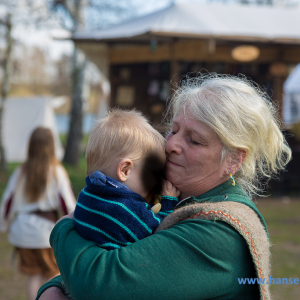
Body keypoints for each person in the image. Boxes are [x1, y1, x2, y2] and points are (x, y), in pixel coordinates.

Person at [36, 74, 291, 300]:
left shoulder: (220, 232)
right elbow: (111, 250)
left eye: (194, 140)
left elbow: (100, 284)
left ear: (234, 159)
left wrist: (63, 228)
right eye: (174, 130)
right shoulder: (184, 200)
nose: (171, 145)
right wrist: (51, 288)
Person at [61, 109, 179, 299]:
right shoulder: (123, 209)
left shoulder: (88, 194)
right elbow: (158, 230)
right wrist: (168, 202)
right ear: (125, 170)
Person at [0, 127, 76, 300]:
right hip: (46, 234)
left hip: (23, 232)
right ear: (51, 146)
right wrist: (73, 227)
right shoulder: (57, 172)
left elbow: (7, 202)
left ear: (31, 146)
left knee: (34, 276)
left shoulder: (21, 171)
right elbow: (68, 205)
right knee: (54, 276)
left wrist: (4, 224)